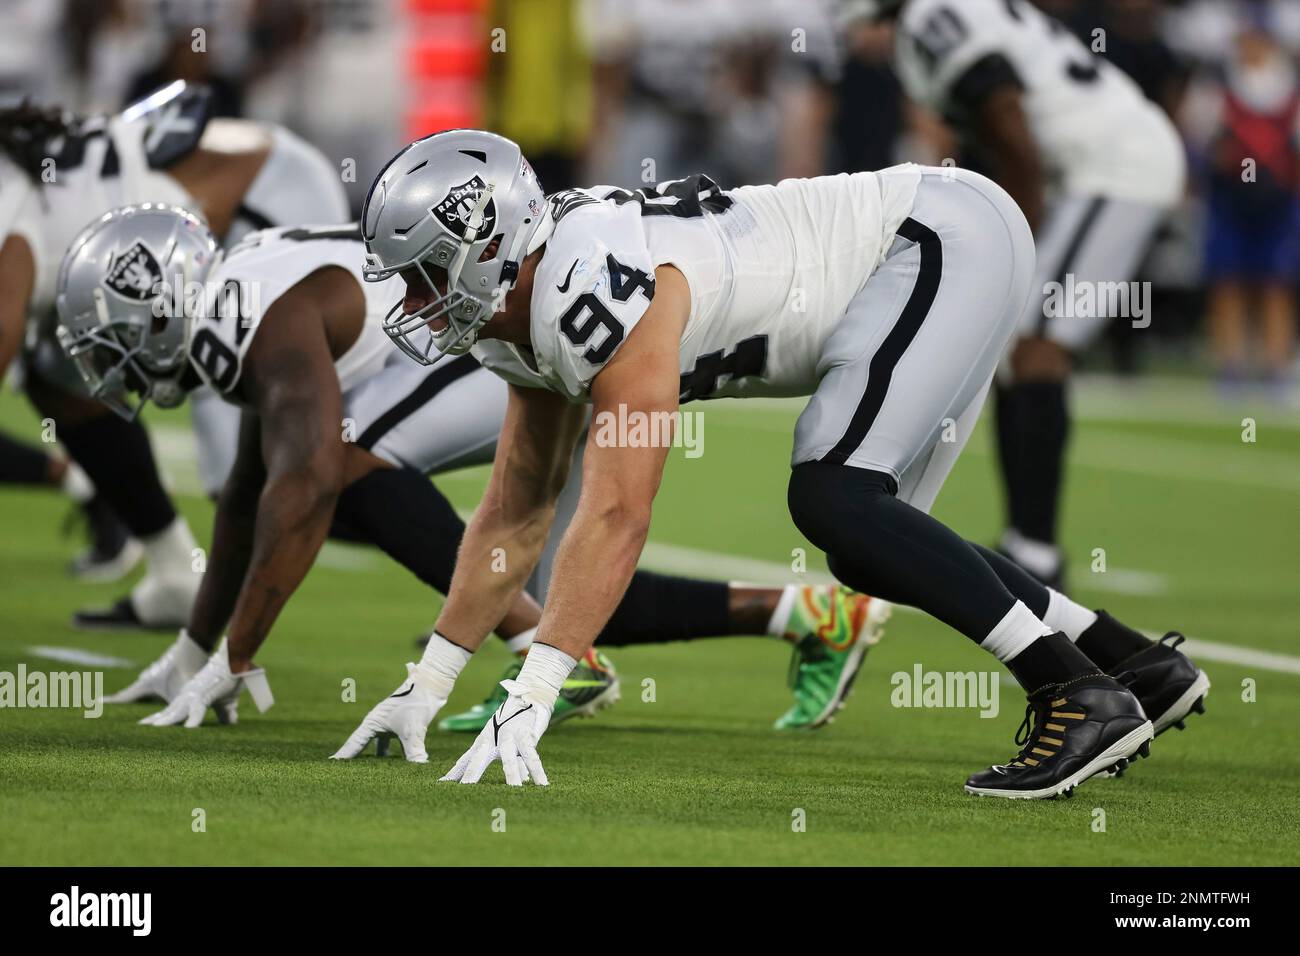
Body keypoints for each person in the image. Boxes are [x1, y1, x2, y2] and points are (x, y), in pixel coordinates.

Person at [355, 128, 1208, 798]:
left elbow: (617, 513)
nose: (415, 301)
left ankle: (1074, 693)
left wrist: (533, 691)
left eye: (427, 273)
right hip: (934, 242)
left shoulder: (591, 286)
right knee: (865, 538)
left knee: (835, 496)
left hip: (933, 235)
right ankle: (1132, 664)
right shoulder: (519, 319)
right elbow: (514, 513)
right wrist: (430, 680)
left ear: (489, 247)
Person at [53, 204, 891, 749]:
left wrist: (234, 657)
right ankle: (806, 613)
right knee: (579, 585)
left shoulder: (247, 312)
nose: (106, 361)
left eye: (108, 332)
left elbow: (302, 479)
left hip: (492, 343)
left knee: (345, 466)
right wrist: (198, 648)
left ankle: (531, 643)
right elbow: (249, 493)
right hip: (456, 366)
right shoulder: (240, 292)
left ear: (156, 303)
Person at [851, 0, 1187, 588]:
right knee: (1019, 351)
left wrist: (1015, 238)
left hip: (1115, 167)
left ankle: (1036, 554)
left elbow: (1005, 110)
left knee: (1036, 347)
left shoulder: (934, 17)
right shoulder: (935, 16)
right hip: (1090, 168)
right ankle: (1028, 544)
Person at [0, 80, 349, 627]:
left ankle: (494, 582)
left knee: (277, 460)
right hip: (172, 241)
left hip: (262, 198)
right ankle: (176, 575)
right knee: (55, 372)